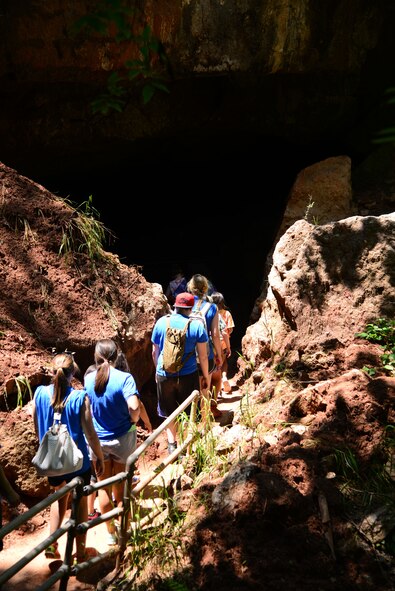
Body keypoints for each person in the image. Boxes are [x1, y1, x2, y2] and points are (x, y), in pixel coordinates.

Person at [32, 352, 104, 562]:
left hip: (53, 461)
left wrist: (46, 449)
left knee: (58, 497)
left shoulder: (40, 394)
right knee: (80, 504)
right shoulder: (79, 398)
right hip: (77, 461)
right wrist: (98, 456)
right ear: (73, 373)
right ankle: (79, 552)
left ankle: (52, 545)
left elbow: (37, 426)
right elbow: (90, 432)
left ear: (51, 371)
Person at [84, 339, 140, 546]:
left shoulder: (89, 379)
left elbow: (87, 410)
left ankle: (110, 532)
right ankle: (123, 526)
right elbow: (134, 408)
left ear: (96, 357)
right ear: (117, 356)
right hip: (123, 439)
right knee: (121, 484)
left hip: (98, 443)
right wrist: (132, 421)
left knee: (102, 487)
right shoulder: (125, 378)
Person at [151, 292, 209, 454]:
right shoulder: (196, 326)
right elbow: (203, 356)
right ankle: (186, 444)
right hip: (188, 375)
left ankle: (172, 445)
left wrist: (158, 372)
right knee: (188, 409)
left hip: (164, 374)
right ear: (190, 308)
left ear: (175, 306)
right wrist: (205, 376)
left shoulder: (162, 322)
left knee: (170, 412)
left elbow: (154, 352)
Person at [187, 274, 223, 419]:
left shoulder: (185, 305)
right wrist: (219, 355)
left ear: (191, 288)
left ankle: (191, 422)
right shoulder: (212, 307)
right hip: (205, 353)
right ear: (206, 288)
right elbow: (215, 334)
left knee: (190, 387)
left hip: (187, 353)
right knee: (205, 388)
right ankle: (205, 420)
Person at [210, 292, 235, 394]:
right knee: (223, 362)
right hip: (224, 342)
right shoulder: (226, 314)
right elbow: (229, 329)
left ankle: (216, 388)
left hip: (211, 343)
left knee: (213, 364)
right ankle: (224, 377)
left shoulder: (210, 313)